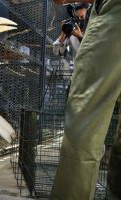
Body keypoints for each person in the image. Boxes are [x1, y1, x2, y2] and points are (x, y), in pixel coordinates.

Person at [50, 0, 121, 199]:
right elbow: (57, 50)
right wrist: (65, 34)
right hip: (76, 75)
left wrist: (80, 34)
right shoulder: (71, 24)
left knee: (85, 123)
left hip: (100, 69)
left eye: (81, 8)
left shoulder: (92, 21)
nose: (79, 12)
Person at [53, 3, 89, 72]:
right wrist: (64, 32)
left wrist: (80, 36)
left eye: (82, 17)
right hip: (78, 73)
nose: (79, 20)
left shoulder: (94, 30)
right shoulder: (72, 34)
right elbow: (56, 51)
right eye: (76, 17)